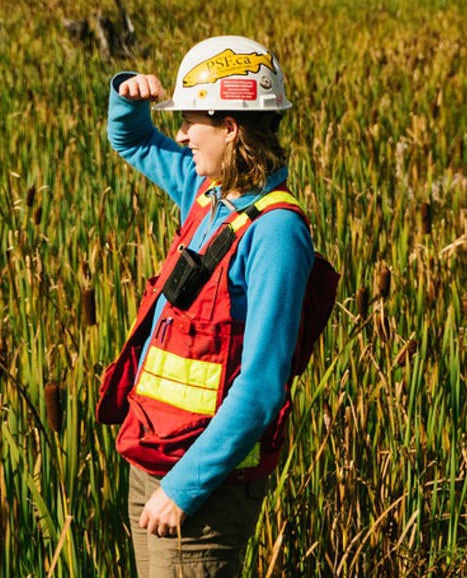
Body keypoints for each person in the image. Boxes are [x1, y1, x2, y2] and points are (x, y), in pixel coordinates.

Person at [95, 35, 314, 578]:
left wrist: (183, 490)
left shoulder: (276, 233)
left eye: (193, 120)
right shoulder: (206, 190)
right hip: (153, 453)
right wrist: (127, 94)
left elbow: (263, 388)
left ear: (232, 127)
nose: (181, 134)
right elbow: (133, 141)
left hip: (202, 491)